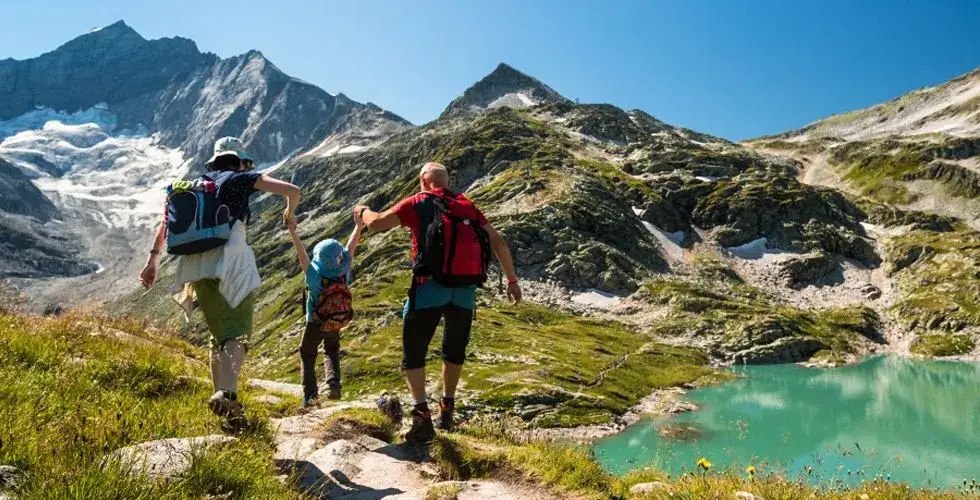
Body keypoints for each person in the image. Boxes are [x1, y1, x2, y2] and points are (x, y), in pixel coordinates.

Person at [139, 137, 301, 429]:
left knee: (218, 333)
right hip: (232, 260)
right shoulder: (241, 178)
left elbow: (165, 225)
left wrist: (152, 262)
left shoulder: (193, 186)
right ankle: (227, 394)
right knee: (237, 333)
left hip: (196, 265)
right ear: (239, 161)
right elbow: (292, 190)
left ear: (213, 161)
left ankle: (224, 403)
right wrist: (289, 212)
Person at [354, 161, 522, 443]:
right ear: (446, 181)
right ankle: (448, 408)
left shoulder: (418, 202)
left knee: (414, 351)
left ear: (423, 180)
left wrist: (361, 211)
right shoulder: (467, 205)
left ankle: (421, 415)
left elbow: (378, 224)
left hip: (430, 287)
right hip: (465, 290)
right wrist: (512, 280)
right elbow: (499, 242)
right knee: (454, 350)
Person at [287, 216, 364, 407]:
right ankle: (333, 384)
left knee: (307, 353)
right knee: (331, 350)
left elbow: (301, 254)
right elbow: (351, 246)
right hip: (336, 320)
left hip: (316, 322)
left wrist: (293, 232)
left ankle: (311, 396)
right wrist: (358, 226)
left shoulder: (314, 275)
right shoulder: (343, 270)